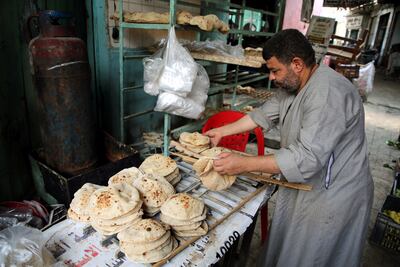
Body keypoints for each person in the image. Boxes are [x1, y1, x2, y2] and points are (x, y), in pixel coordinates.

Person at [204, 29, 374, 267]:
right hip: (307, 183)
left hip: (335, 191)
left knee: (315, 256)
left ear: (296, 63)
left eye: (275, 70)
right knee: (290, 248)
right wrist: (222, 131)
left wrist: (242, 164)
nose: (272, 78)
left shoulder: (327, 93)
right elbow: (262, 115)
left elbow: (306, 157)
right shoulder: (293, 87)